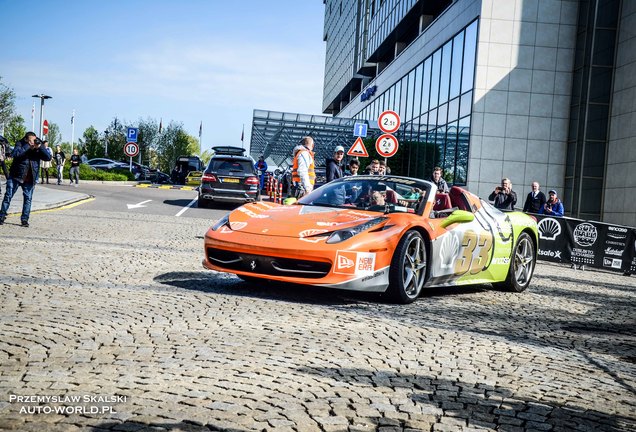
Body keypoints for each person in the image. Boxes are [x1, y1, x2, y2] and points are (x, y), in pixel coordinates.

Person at [0, 132, 52, 227]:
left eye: (34, 140)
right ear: (26, 139)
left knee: (28, 199)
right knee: (8, 196)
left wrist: (40, 147)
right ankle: (1, 216)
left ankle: (24, 219)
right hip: (16, 176)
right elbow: (15, 154)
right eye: (31, 140)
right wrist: (28, 146)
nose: (33, 142)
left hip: (30, 177)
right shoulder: (20, 143)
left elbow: (48, 157)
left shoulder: (38, 145)